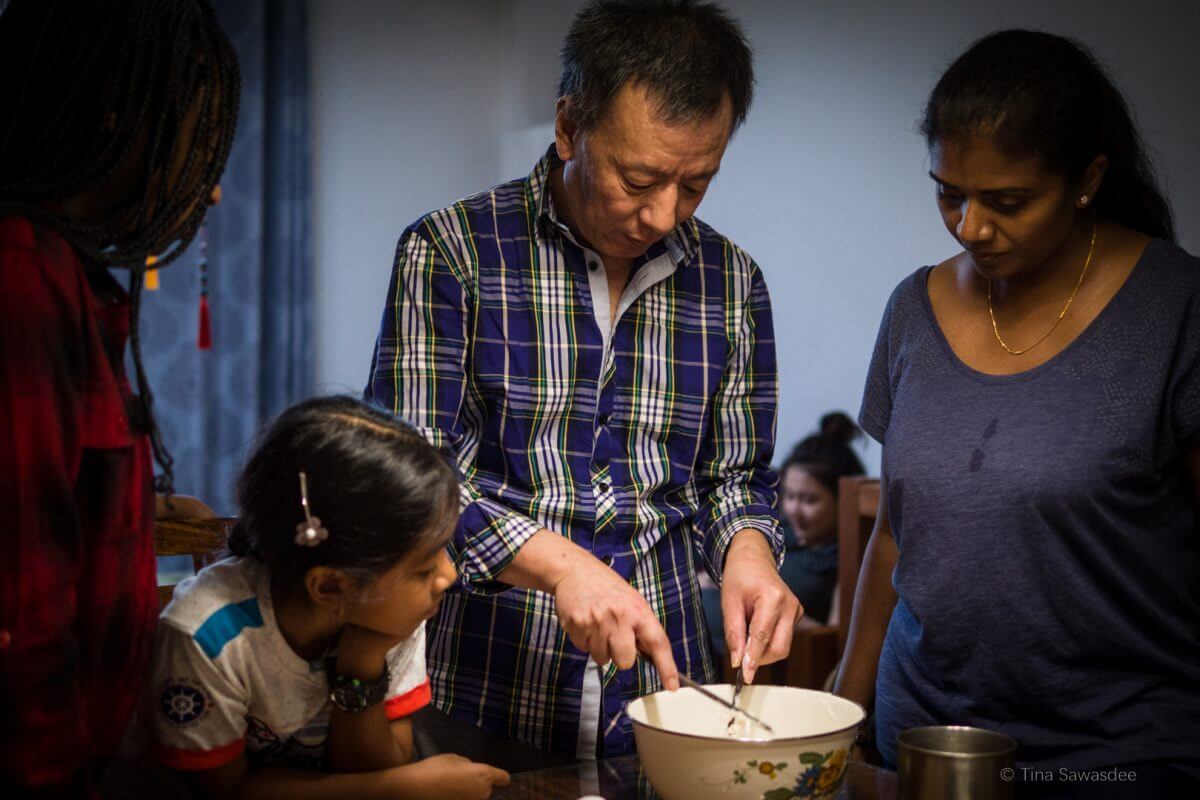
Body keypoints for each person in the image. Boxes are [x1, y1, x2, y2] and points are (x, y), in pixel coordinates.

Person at [365, 0, 799, 761]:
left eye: (696, 185)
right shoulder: (451, 253)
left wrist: (750, 554)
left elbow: (734, 479)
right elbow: (409, 479)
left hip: (664, 710)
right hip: (482, 692)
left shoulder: (733, 284)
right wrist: (561, 563)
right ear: (569, 126)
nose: (663, 214)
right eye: (639, 179)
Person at [836, 29, 1200, 798]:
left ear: (1087, 179)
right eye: (948, 192)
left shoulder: (1178, 311)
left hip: (1116, 755)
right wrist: (844, 705)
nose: (969, 227)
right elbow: (896, 535)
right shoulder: (913, 308)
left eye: (1006, 202)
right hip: (924, 744)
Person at [0, 1, 239, 793]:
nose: (206, 193)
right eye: (192, 144)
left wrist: (143, 514)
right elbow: (20, 623)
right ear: (115, 118)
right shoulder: (19, 276)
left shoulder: (66, 275)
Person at [142, 396, 511, 798]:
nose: (448, 575)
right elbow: (228, 794)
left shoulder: (386, 609)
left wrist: (362, 661)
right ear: (331, 586)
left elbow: (377, 765)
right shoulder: (206, 635)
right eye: (423, 567)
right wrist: (405, 788)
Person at [702, 412, 866, 669]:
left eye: (809, 500)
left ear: (841, 501)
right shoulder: (776, 528)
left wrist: (773, 611)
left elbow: (836, 635)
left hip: (758, 663)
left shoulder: (846, 557)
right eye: (790, 496)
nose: (794, 509)